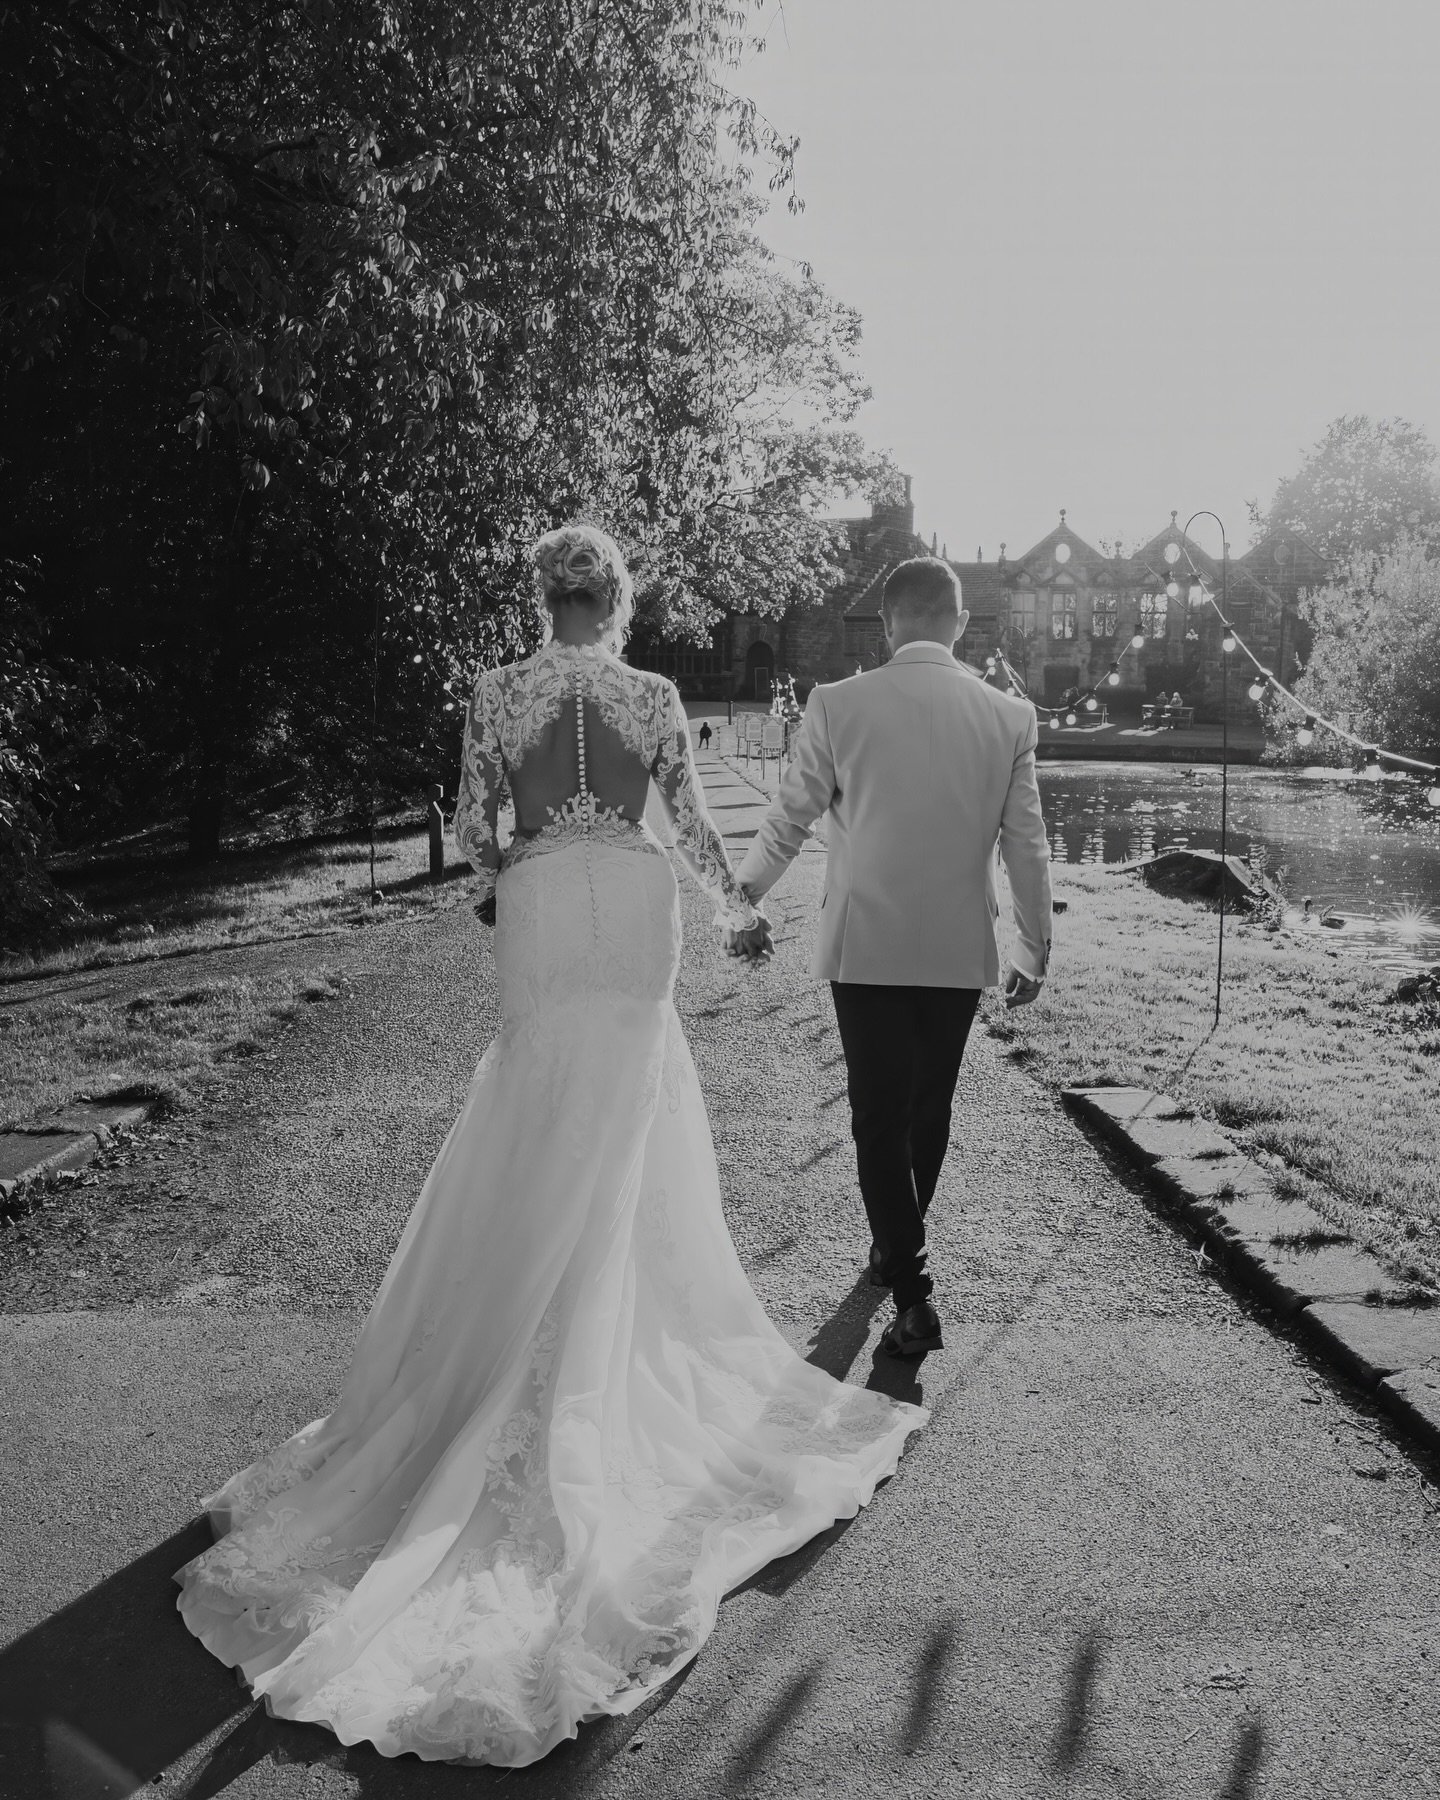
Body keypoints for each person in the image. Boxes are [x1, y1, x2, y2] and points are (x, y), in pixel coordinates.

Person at [175, 525, 924, 1767]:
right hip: (632, 909)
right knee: (627, 1108)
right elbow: (682, 821)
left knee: (532, 1102)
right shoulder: (654, 695)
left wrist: (496, 885)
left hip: (541, 903)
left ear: (542, 598)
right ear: (616, 601)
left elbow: (477, 827)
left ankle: (504, 1348)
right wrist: (737, 911)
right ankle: (596, 1333)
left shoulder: (496, 693)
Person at [733, 557, 1052, 1358]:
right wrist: (1032, 944)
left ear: (886, 624)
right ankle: (898, 1258)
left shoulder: (839, 704)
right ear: (959, 624)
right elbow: (1027, 844)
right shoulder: (1009, 715)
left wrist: (744, 896)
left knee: (877, 1115)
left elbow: (789, 819)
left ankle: (911, 1287)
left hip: (865, 944)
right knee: (927, 1111)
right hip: (957, 947)